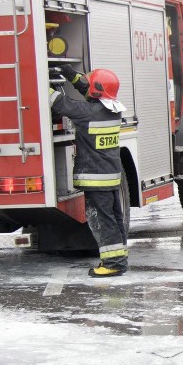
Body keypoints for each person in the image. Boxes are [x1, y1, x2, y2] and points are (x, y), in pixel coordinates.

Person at [51, 66, 129, 278]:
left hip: (96, 179)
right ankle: (119, 258)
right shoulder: (113, 110)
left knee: (102, 221)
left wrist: (39, 79)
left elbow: (59, 102)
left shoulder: (87, 112)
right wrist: (69, 73)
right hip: (110, 176)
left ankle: (113, 263)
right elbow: (89, 90)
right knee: (114, 218)